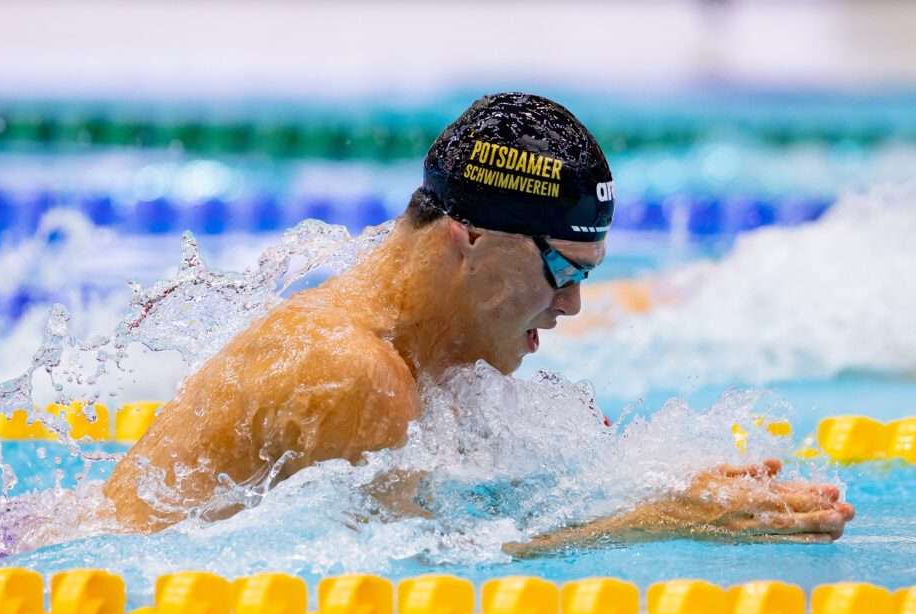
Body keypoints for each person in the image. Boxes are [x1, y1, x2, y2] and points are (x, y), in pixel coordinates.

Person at [103, 93, 854, 549]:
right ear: (472, 238)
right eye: (560, 270)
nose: (572, 305)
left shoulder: (419, 350)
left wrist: (647, 486)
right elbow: (418, 568)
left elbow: (461, 517)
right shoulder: (357, 374)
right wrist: (667, 518)